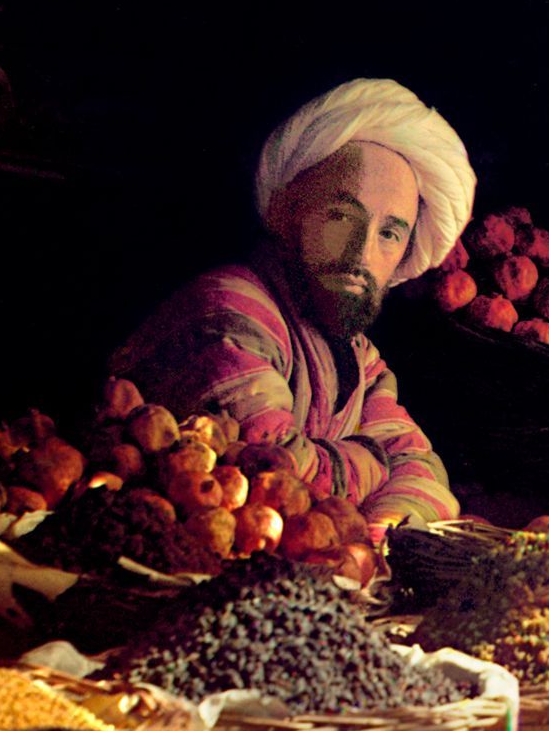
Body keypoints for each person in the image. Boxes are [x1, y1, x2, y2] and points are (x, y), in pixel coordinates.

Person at [110, 78, 472, 529]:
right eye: (342, 217)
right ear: (285, 211)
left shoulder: (362, 359)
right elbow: (275, 475)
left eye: (389, 233)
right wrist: (376, 462)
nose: (361, 254)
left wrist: (382, 528)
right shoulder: (229, 310)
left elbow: (425, 472)